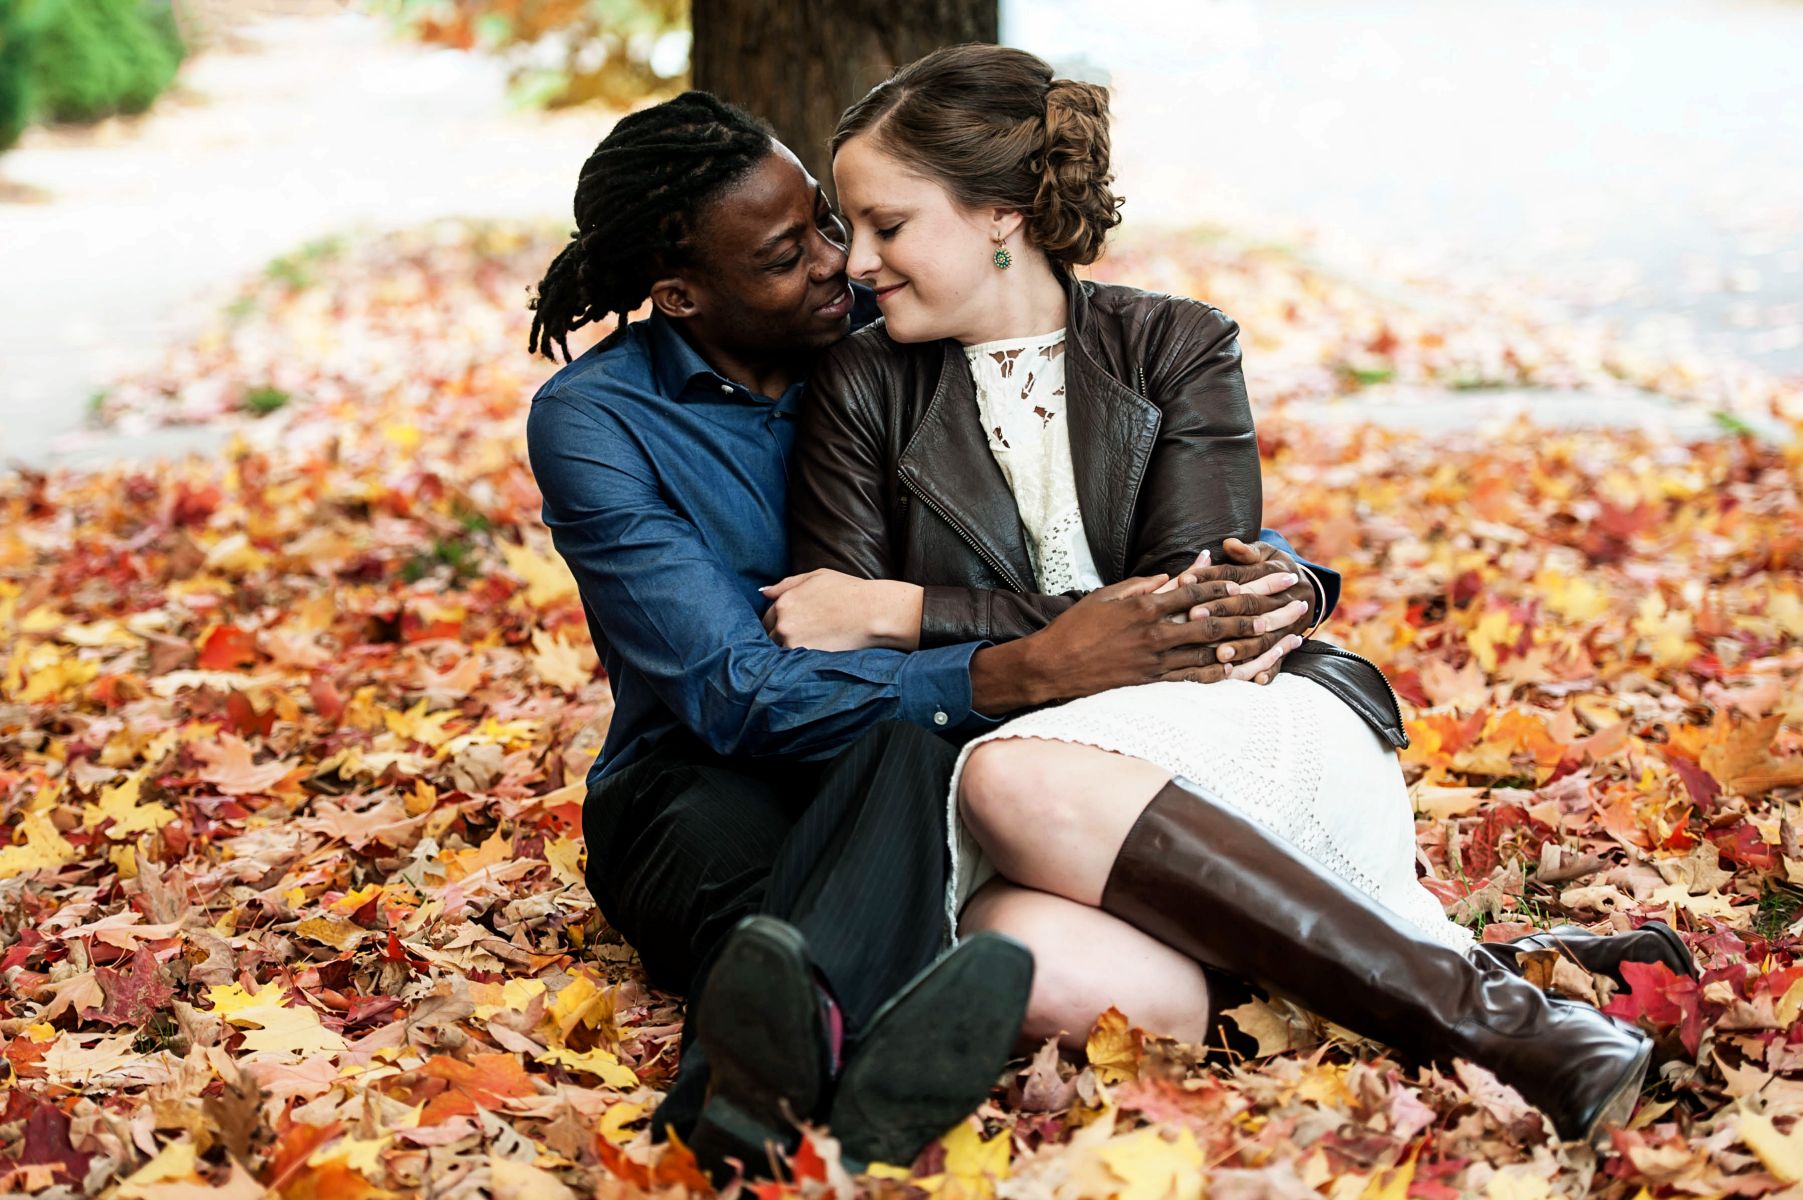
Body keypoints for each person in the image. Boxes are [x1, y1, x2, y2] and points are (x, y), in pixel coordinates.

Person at [781, 43, 1697, 1147]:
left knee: (1012, 782)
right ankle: (1481, 969)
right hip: (1028, 811)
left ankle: (1516, 1032)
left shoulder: (1174, 344)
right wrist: (928, 627)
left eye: (888, 224)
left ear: (999, 215)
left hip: (1229, 732)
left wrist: (907, 610)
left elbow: (1194, 623)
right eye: (851, 226)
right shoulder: (858, 386)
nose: (857, 262)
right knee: (1022, 961)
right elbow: (836, 645)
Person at [521, 92, 1329, 1175]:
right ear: (680, 294)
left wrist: (1288, 577)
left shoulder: (897, 327)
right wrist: (1019, 669)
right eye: (785, 254)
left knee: (894, 767)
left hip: (917, 758)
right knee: (759, 911)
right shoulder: (600, 419)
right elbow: (734, 691)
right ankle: (829, 1098)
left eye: (827, 220)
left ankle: (748, 1121)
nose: (837, 262)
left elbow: (1147, 513)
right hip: (698, 780)